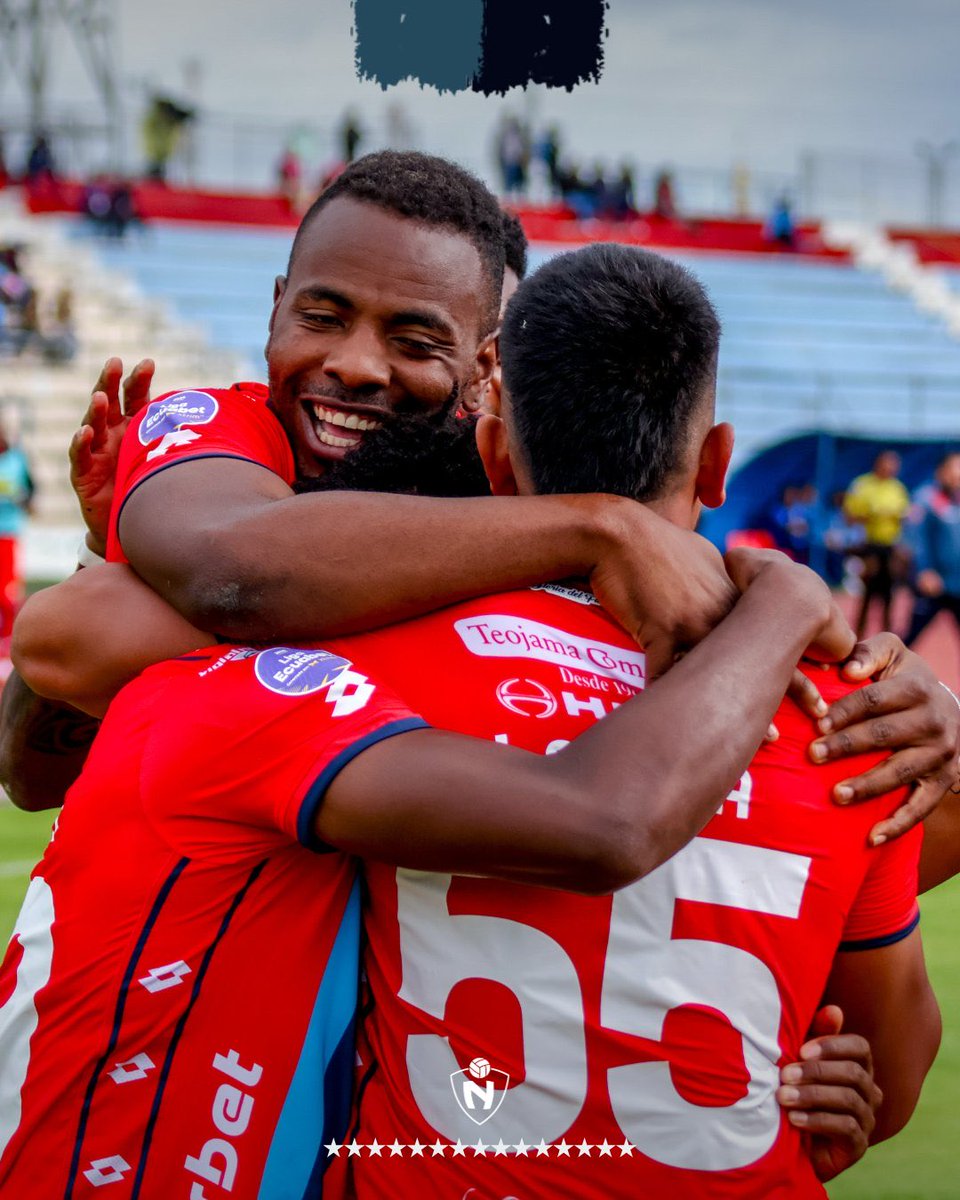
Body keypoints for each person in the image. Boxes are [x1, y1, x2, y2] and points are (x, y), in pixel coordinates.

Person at [7, 246, 939, 1196]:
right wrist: (811, 619)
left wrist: (117, 544)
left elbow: (66, 636)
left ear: (492, 453)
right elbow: (889, 1079)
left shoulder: (369, 658)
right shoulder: (849, 727)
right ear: (716, 463)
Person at [844, 451, 911, 638]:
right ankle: (857, 636)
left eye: (894, 465)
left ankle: (887, 637)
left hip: (890, 547)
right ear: (878, 463)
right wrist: (873, 515)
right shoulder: (862, 485)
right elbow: (849, 516)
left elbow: (906, 517)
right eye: (888, 464)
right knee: (868, 593)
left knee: (888, 594)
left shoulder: (898, 488)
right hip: (868, 545)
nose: (891, 468)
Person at [903, 450, 960, 649]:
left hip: (957, 583)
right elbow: (915, 538)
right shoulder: (925, 499)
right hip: (933, 582)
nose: (958, 474)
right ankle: (884, 676)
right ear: (941, 471)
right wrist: (923, 570)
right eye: (955, 467)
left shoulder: (957, 501)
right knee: (909, 639)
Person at [0, 417, 34, 646]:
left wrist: (21, 498)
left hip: (8, 533)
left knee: (6, 592)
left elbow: (31, 497)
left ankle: (8, 639)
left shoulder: (17, 460)